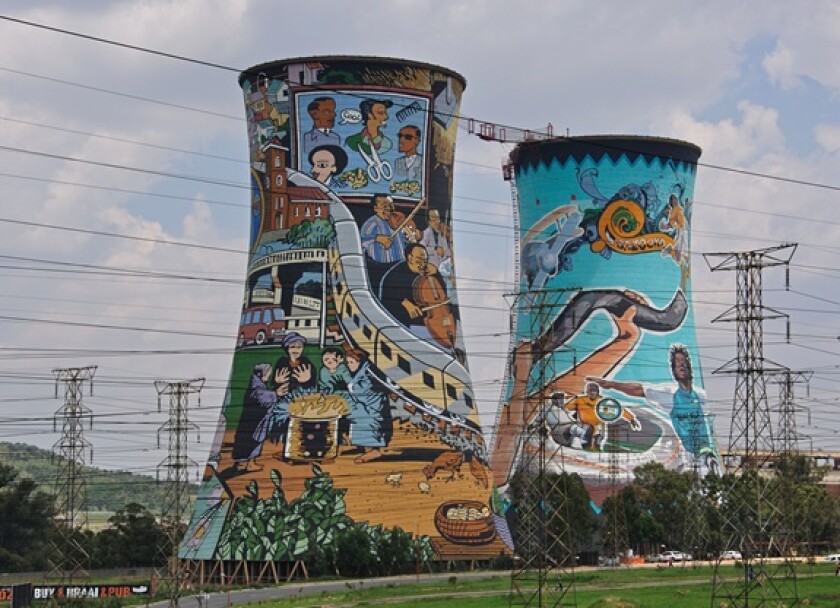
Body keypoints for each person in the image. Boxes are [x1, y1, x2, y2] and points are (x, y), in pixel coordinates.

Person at [588, 344, 718, 472]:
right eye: (677, 363)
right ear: (674, 371)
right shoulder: (670, 395)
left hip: (706, 453)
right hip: (689, 455)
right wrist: (611, 384)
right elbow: (640, 389)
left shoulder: (700, 395)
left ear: (690, 367)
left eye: (684, 362)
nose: (682, 365)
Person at [230, 363, 289, 474]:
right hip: (255, 422)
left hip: (253, 420)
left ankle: (245, 463)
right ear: (261, 374)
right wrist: (276, 393)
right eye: (267, 375)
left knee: (249, 441)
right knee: (252, 441)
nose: (268, 377)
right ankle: (246, 464)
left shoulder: (257, 384)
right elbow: (261, 397)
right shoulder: (256, 387)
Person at [344, 349, 392, 463]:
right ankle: (367, 450)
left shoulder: (368, 373)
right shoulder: (361, 372)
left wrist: (353, 392)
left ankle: (373, 451)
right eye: (348, 363)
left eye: (352, 362)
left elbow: (367, 391)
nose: (349, 365)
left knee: (368, 426)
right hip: (364, 407)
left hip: (372, 408)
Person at [563, 382, 641, 451]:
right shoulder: (580, 400)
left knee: (597, 441)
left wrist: (631, 419)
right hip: (585, 425)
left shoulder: (602, 401)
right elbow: (566, 408)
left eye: (594, 391)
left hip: (599, 426)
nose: (592, 393)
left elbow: (618, 410)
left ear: (597, 392)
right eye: (591, 391)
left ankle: (595, 448)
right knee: (585, 441)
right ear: (587, 392)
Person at [360, 194, 406, 264]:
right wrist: (378, 238)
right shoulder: (371, 223)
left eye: (391, 205)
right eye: (384, 206)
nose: (389, 208)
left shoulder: (398, 222)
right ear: (375, 208)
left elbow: (404, 243)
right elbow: (361, 241)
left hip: (400, 265)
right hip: (380, 267)